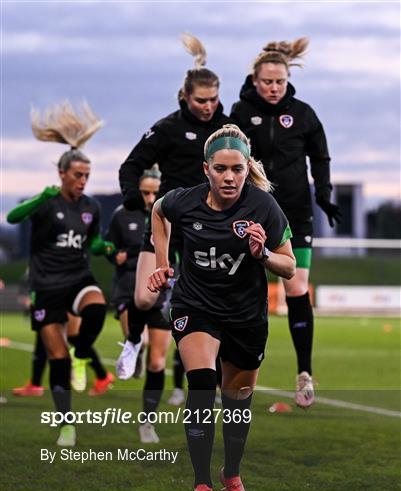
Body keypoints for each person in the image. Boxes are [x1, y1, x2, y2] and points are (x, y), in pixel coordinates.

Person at [149, 124, 295, 491]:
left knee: (237, 403)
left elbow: (290, 266)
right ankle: (201, 486)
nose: (229, 177)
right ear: (206, 170)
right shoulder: (185, 201)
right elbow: (158, 210)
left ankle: (232, 475)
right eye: (220, 169)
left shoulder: (264, 207)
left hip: (246, 315)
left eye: (236, 169)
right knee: (200, 385)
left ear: (247, 168)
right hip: (196, 306)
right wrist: (163, 262)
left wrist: (263, 253)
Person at [117, 33, 230, 405]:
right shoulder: (165, 128)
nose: (208, 106)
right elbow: (131, 165)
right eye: (201, 100)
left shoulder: (226, 129)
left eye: (214, 99)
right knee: (145, 299)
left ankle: (208, 382)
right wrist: (135, 200)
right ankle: (133, 340)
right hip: (166, 220)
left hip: (208, 228)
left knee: (211, 303)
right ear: (185, 97)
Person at [230, 38, 341, 409]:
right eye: (267, 82)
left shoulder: (305, 114)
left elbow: (321, 157)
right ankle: (221, 372)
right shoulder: (241, 112)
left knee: (297, 289)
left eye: (279, 81)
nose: (274, 88)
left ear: (287, 79)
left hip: (295, 212)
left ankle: (304, 374)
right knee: (236, 290)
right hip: (252, 211)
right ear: (255, 80)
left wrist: (324, 193)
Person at [7, 101, 115, 446]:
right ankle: (66, 424)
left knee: (97, 308)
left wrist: (106, 249)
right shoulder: (47, 202)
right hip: (45, 286)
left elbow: (93, 242)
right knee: (55, 358)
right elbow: (13, 218)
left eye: (87, 176)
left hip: (77, 278)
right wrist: (40, 198)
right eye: (78, 175)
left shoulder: (91, 208)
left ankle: (82, 353)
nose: (83, 181)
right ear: (62, 174)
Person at [106, 168, 172, 443]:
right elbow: (107, 246)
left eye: (155, 192)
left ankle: (147, 422)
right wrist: (114, 255)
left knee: (157, 363)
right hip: (129, 288)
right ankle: (134, 346)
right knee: (140, 341)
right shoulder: (122, 214)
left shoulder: (172, 215)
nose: (150, 197)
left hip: (162, 292)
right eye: (145, 192)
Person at [13, 314, 114, 398]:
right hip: (48, 296)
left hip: (60, 295)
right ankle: (35, 384)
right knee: (43, 334)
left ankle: (102, 376)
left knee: (73, 336)